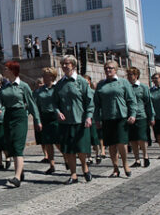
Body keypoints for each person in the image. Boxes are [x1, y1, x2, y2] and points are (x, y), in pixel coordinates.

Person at [0, 60, 41, 188]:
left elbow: (31, 104)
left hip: (19, 116)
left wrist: (37, 120)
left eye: (6, 68)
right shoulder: (4, 86)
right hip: (8, 116)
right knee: (10, 145)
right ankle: (20, 171)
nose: (4, 70)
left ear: (12, 70)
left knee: (18, 146)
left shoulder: (23, 86)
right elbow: (0, 101)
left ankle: (17, 178)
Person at [53, 56, 94, 184]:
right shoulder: (59, 84)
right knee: (69, 150)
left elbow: (89, 101)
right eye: (63, 64)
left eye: (67, 63)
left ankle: (85, 168)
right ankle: (73, 174)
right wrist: (58, 112)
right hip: (66, 122)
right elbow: (54, 103)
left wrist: (88, 116)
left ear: (73, 65)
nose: (65, 66)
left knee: (81, 149)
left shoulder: (81, 81)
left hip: (80, 121)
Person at [94, 61, 137, 177]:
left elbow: (131, 100)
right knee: (111, 144)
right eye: (106, 68)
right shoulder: (100, 85)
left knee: (122, 143)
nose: (108, 70)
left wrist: (132, 114)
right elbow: (96, 104)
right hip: (107, 118)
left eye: (111, 68)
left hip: (121, 117)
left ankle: (125, 164)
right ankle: (115, 167)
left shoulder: (123, 82)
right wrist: (97, 119)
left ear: (116, 69)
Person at [34, 67, 60, 174]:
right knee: (48, 143)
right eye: (43, 75)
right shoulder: (39, 91)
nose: (44, 77)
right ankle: (52, 165)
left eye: (46, 75)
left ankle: (67, 158)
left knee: (58, 142)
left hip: (56, 117)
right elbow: (34, 105)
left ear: (52, 77)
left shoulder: (57, 88)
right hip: (45, 117)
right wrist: (37, 120)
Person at [126, 67, 153, 168]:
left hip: (141, 115)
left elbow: (148, 103)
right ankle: (137, 159)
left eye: (131, 75)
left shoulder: (143, 87)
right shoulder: (126, 87)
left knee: (141, 138)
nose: (129, 77)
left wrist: (151, 117)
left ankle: (145, 156)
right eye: (128, 75)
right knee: (133, 139)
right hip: (129, 116)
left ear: (136, 76)